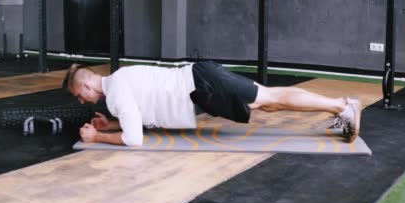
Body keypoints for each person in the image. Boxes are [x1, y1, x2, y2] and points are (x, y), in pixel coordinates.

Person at [62, 61, 362, 147]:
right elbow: (141, 114)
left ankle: (342, 106)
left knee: (271, 98)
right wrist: (112, 123)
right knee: (269, 103)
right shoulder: (120, 79)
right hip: (201, 83)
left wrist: (97, 136)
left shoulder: (116, 93)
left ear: (88, 85)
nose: (81, 101)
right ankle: (340, 106)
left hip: (203, 85)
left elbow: (134, 139)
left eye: (79, 95)